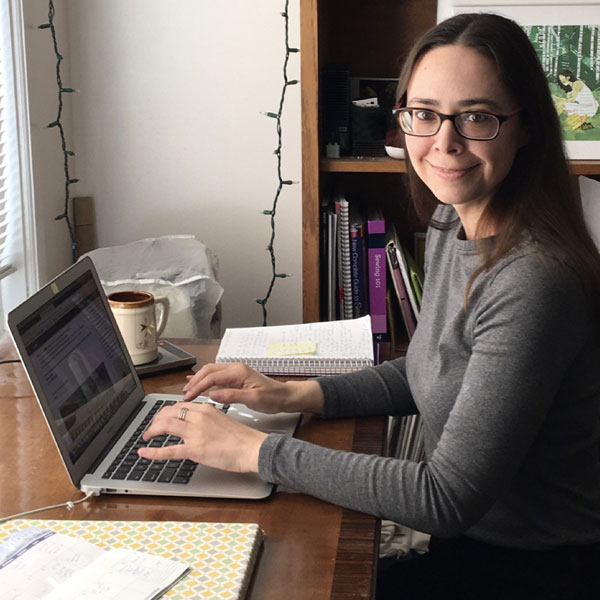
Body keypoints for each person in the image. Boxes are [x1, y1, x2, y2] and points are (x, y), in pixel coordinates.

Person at [138, 13, 600, 599]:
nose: (444, 142)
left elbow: (445, 497)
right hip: (477, 549)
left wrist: (255, 449)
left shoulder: (533, 281)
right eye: (425, 114)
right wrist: (293, 394)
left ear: (526, 125)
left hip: (533, 570)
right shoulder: (450, 223)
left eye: (477, 117)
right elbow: (430, 367)